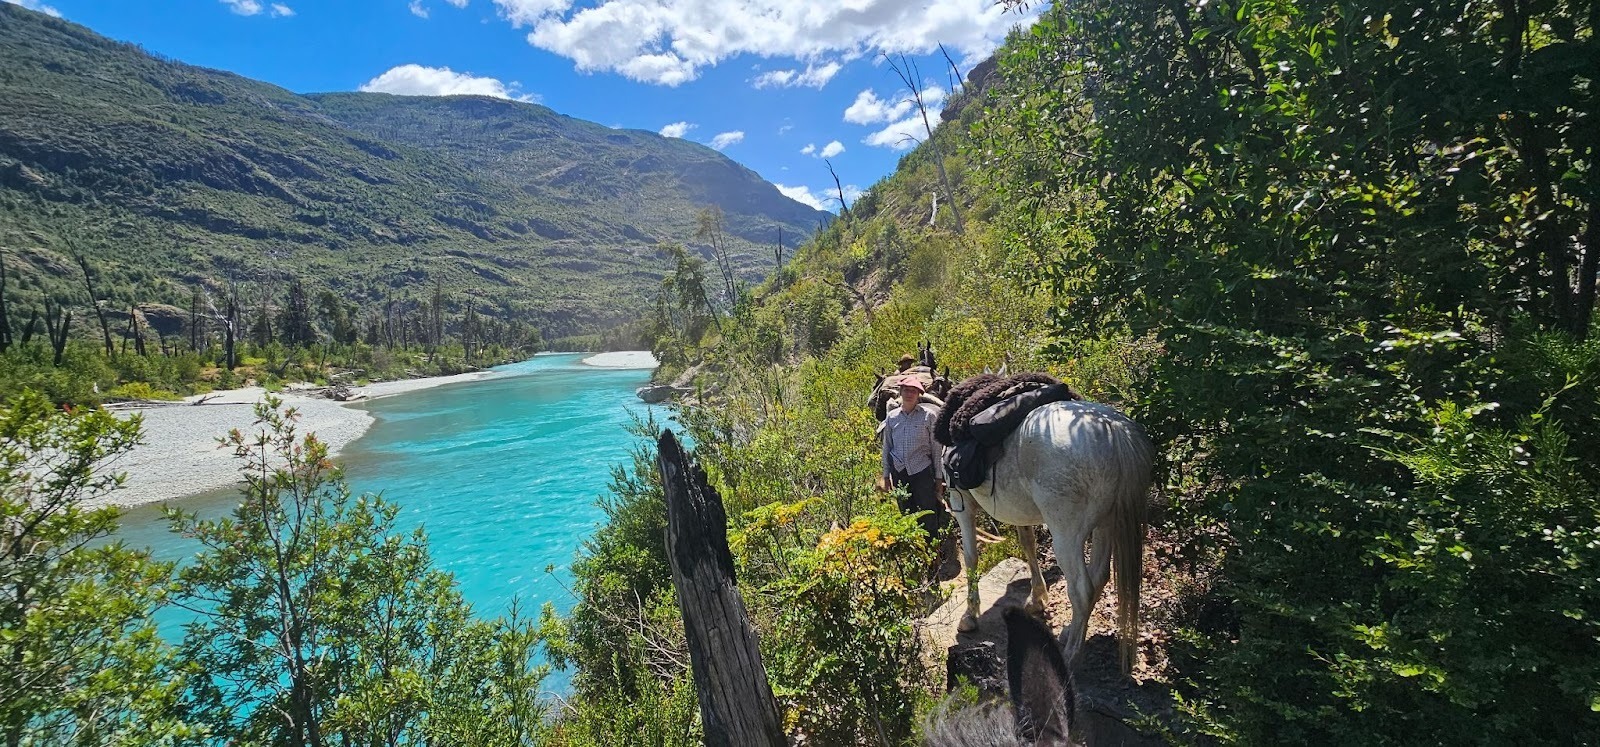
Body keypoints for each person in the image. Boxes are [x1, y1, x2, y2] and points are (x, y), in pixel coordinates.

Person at [880, 376, 948, 540]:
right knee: (906, 511)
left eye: (913, 391)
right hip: (899, 472)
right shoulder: (892, 417)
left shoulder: (929, 416)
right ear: (900, 392)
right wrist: (886, 475)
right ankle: (912, 548)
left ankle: (932, 549)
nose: (909, 394)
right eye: (906, 390)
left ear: (919, 395)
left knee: (927, 511)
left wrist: (939, 478)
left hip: (922, 471)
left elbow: (936, 450)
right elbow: (887, 447)